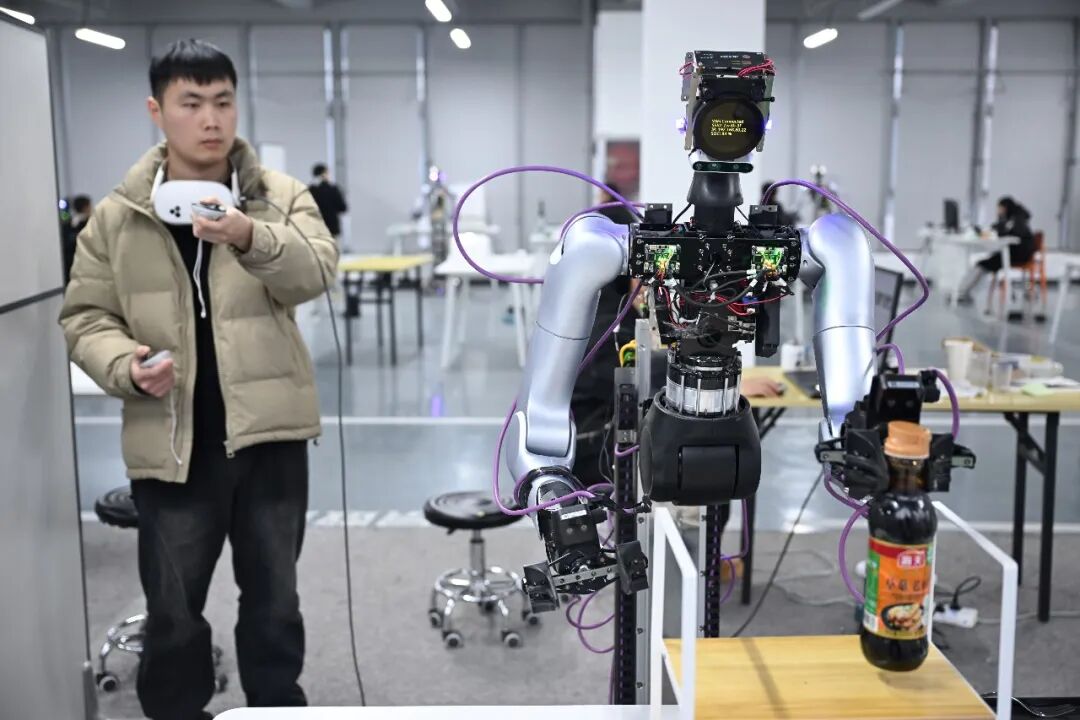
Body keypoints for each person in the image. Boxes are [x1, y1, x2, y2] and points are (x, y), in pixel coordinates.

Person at [59, 39, 336, 720]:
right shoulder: (118, 216)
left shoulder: (278, 197)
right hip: (171, 443)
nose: (211, 119)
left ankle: (275, 707)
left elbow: (316, 272)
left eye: (222, 101)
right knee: (174, 608)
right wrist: (124, 365)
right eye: (191, 103)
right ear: (157, 111)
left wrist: (249, 236)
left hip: (270, 438)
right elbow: (85, 316)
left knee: (275, 599)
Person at [955, 196, 1035, 304]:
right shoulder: (1013, 218)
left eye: (999, 208)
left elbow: (1012, 233)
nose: (998, 211)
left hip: (1018, 255)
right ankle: (963, 292)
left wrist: (999, 231)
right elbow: (1001, 228)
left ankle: (962, 292)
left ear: (1005, 208)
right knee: (984, 263)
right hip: (1013, 252)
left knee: (983, 264)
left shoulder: (1017, 219)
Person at [308, 162, 348, 238]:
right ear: (324, 174)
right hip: (331, 227)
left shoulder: (310, 190)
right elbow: (343, 208)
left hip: (316, 228)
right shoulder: (333, 189)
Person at [61, 194, 92, 285]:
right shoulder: (90, 224)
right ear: (86, 207)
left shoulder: (67, 224)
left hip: (70, 268)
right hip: (84, 267)